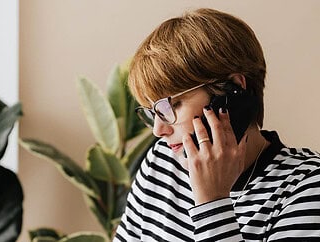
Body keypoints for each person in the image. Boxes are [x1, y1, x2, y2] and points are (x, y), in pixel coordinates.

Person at [113, 8, 320, 241]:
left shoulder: (307, 188)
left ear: (233, 89)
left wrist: (212, 201)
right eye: (154, 112)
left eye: (174, 105)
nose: (159, 130)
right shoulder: (160, 163)